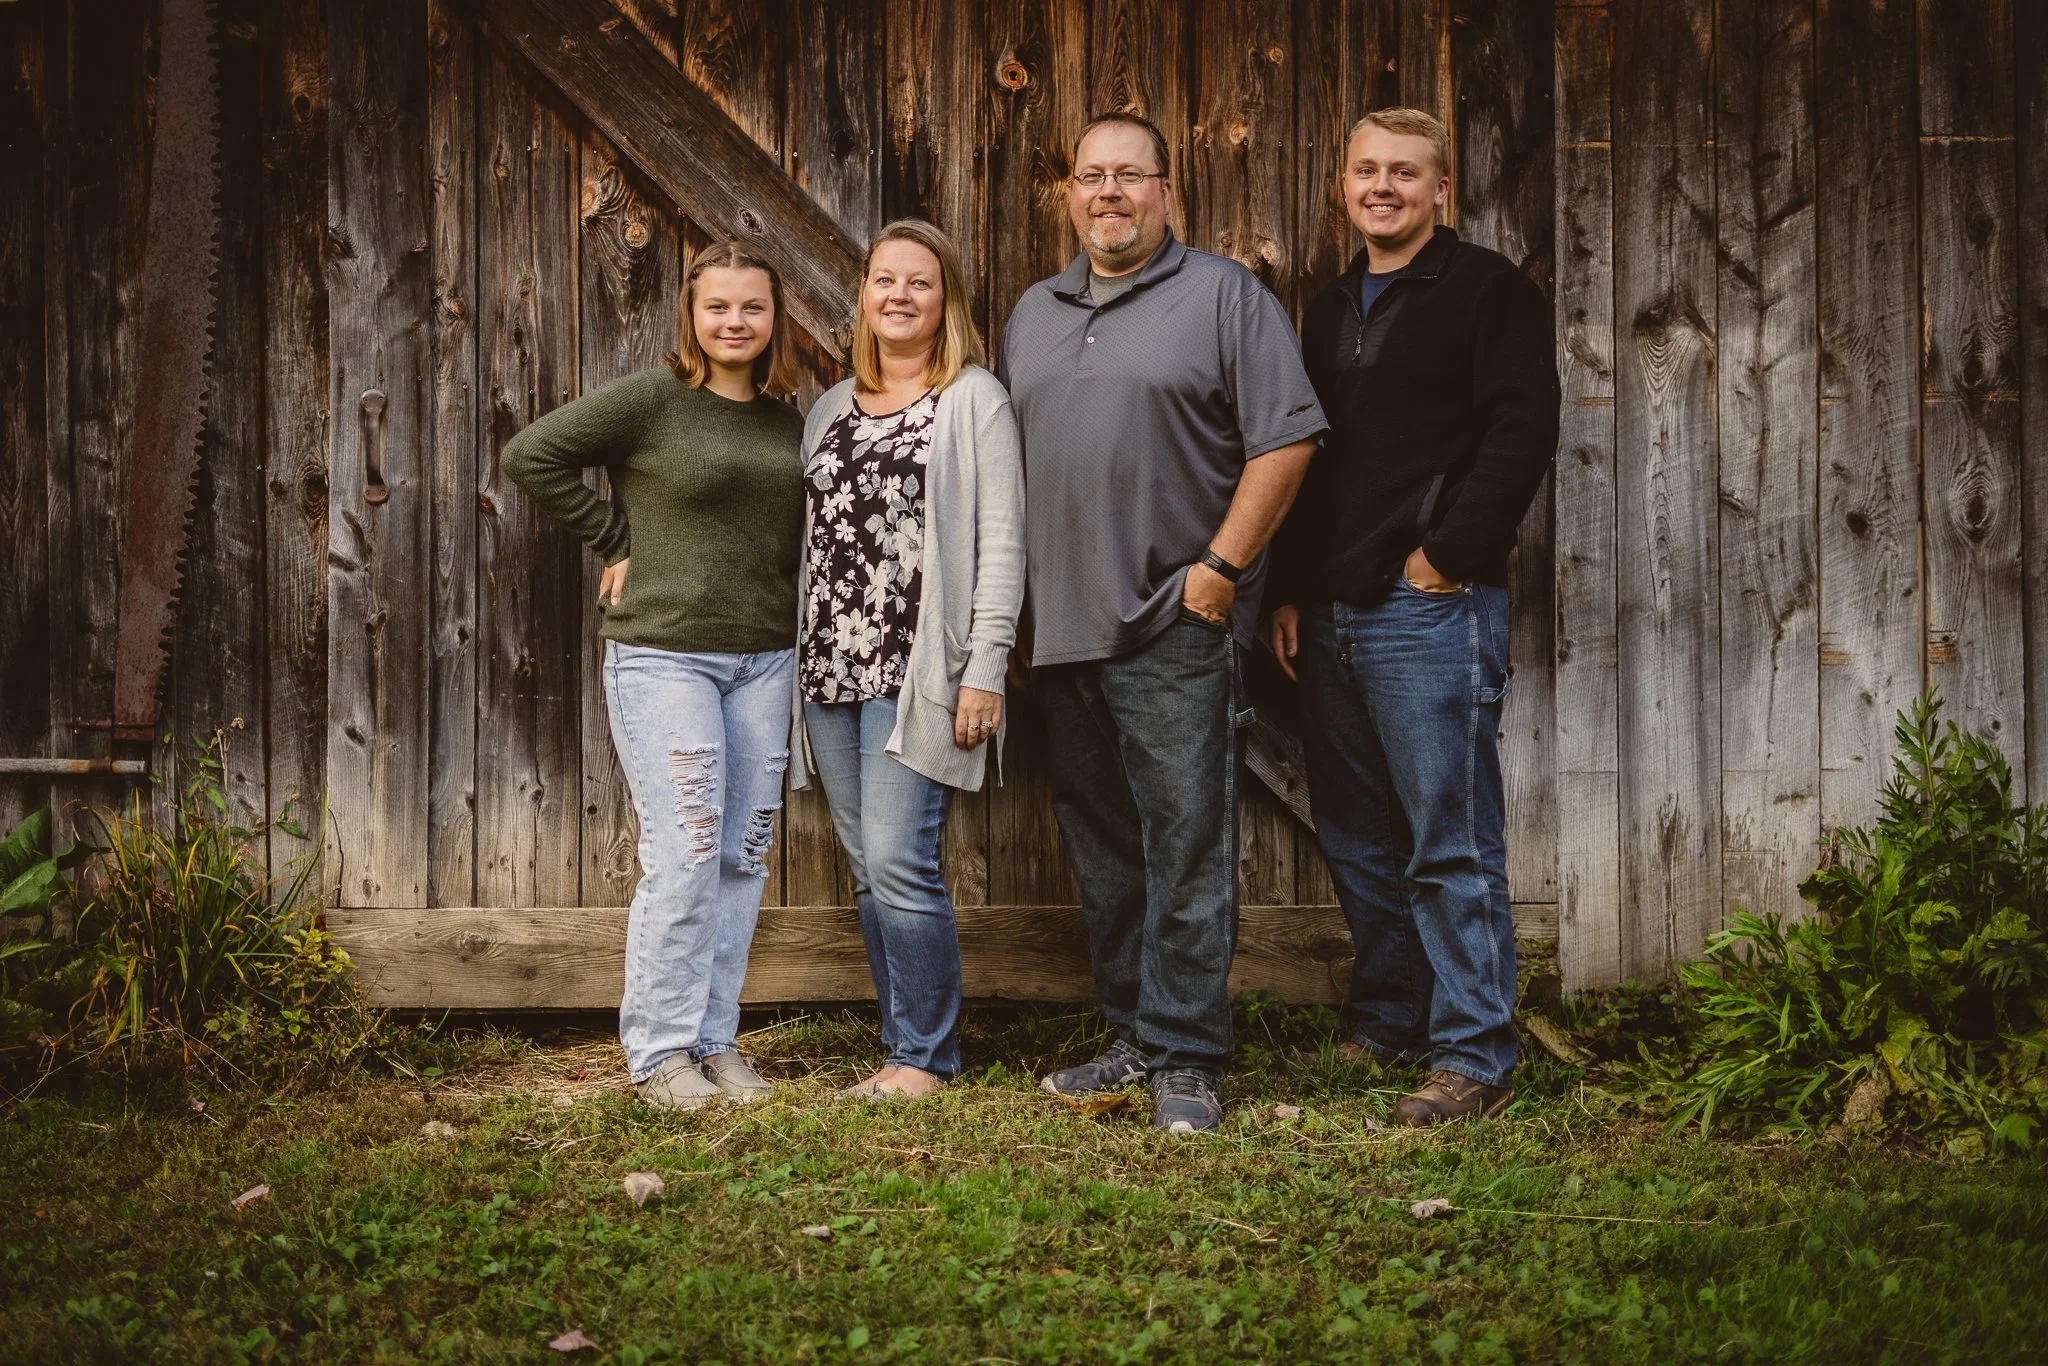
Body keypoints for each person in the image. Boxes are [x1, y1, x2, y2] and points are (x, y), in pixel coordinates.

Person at [1000, 113, 1327, 1134]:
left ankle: (1189, 1057)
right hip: (1058, 636)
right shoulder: (1031, 311)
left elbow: (1286, 439)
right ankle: (1133, 1033)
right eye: (1090, 176)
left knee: (1185, 845)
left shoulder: (1224, 295)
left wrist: (1220, 570)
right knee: (1103, 851)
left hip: (1171, 625)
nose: (1107, 193)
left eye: (1127, 175)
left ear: (1166, 192)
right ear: (1069, 195)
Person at [1267, 108, 1560, 1125]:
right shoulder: (1325, 305)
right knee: (1353, 831)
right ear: (1339, 186)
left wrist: (1446, 556)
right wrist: (1291, 590)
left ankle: (1473, 1051)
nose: (1380, 186)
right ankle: (1388, 1016)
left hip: (1426, 605)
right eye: (1364, 170)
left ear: (1442, 189)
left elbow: (1521, 431)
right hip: (1332, 610)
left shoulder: (1487, 293)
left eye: (1403, 172)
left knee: (1448, 837)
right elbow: (1307, 461)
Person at [503, 243, 806, 1111]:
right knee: (685, 854)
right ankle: (661, 1055)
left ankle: (716, 1040)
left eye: (753, 307)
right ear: (692, 315)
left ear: (774, 318)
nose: (735, 322)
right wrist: (616, 538)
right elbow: (533, 454)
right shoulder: (653, 400)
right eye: (718, 308)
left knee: (743, 856)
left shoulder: (788, 421)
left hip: (765, 660)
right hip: (665, 656)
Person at [790, 219, 1025, 1101]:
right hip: (828, 670)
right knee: (867, 868)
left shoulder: (972, 399)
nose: (899, 296)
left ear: (946, 300)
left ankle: (924, 1057)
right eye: (885, 280)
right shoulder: (827, 408)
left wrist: (984, 669)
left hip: (916, 671)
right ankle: (900, 1047)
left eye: (919, 283)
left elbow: (1002, 546)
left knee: (899, 860)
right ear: (863, 297)